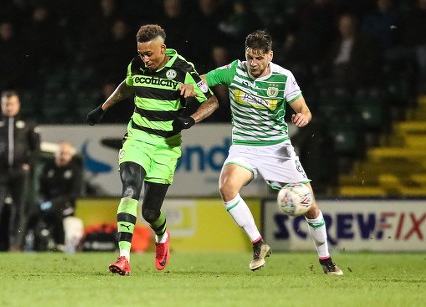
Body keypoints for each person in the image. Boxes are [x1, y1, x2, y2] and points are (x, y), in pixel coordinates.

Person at [195, 30, 343, 274]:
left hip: (277, 148)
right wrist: (192, 86)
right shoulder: (233, 70)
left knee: (311, 206)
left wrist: (303, 118)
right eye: (249, 57)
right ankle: (258, 244)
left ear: (270, 55)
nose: (253, 63)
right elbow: (203, 80)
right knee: (227, 187)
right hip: (244, 146)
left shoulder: (284, 78)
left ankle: (326, 260)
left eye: (259, 58)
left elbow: (304, 110)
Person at [86, 24, 219, 276]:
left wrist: (191, 119)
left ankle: (162, 235)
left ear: (163, 49)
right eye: (141, 53)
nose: (145, 59)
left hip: (166, 147)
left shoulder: (184, 70)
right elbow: (127, 85)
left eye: (150, 54)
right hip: (137, 137)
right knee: (129, 189)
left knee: (150, 211)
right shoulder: (136, 65)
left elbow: (212, 101)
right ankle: (124, 258)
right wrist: (103, 108)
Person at [0, 90, 41, 252]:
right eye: (6, 104)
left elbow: (36, 147)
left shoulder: (27, 123)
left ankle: (15, 245)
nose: (9, 107)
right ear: (2, 105)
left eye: (12, 103)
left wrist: (28, 163)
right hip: (0, 172)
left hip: (20, 172)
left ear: (18, 104)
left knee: (19, 209)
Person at [36, 141, 83, 252]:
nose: (63, 156)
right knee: (33, 211)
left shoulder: (75, 170)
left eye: (66, 154)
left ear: (70, 156)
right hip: (47, 203)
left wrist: (55, 202)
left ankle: (59, 243)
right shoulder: (48, 168)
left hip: (66, 205)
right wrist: (43, 201)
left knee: (56, 211)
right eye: (61, 153)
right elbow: (41, 189)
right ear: (56, 154)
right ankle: (36, 241)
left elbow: (74, 193)